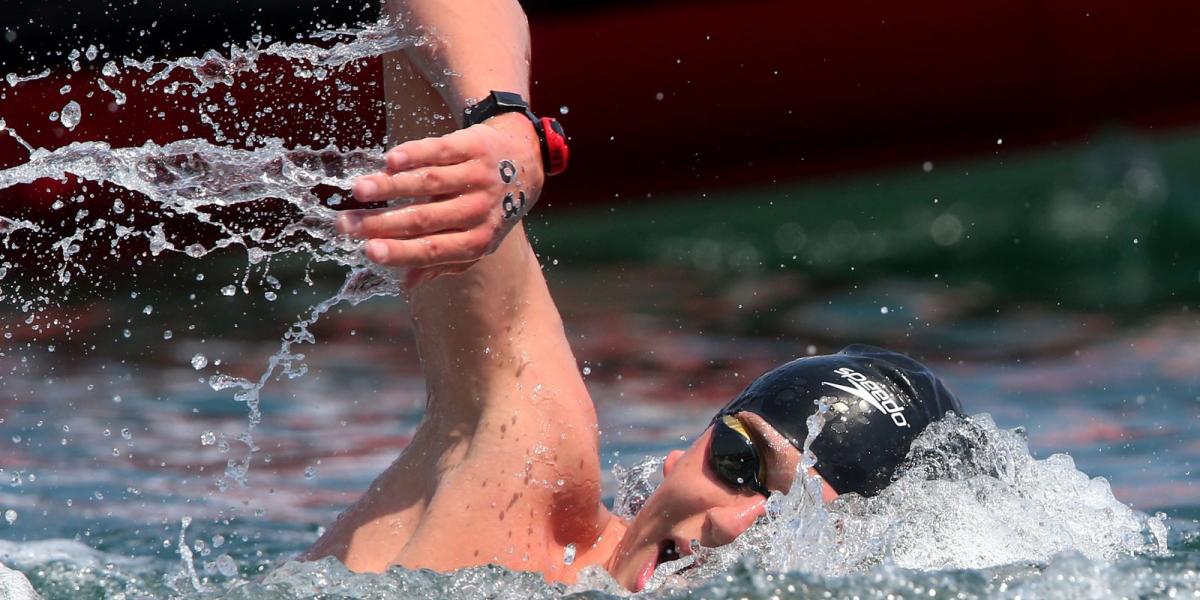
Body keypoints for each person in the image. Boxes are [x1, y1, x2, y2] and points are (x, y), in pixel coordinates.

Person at [301, 0, 963, 592]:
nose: (733, 526)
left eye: (793, 520)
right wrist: (504, 120)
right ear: (684, 453)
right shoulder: (520, 480)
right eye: (737, 462)